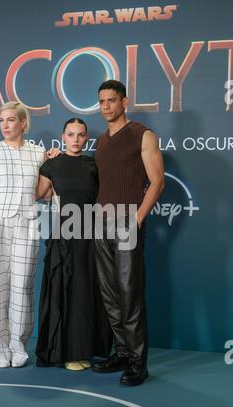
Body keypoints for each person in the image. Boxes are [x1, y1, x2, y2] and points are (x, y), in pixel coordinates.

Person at [92, 80, 165, 385]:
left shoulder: (142, 135)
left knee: (129, 292)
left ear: (125, 102)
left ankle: (137, 362)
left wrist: (137, 218)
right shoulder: (101, 141)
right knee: (109, 294)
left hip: (127, 222)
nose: (106, 106)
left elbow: (157, 181)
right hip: (98, 223)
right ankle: (121, 352)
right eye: (102, 101)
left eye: (112, 100)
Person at [0, 101, 50, 368]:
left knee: (22, 287)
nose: (5, 125)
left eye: (11, 120)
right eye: (2, 120)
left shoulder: (39, 154)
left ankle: (18, 345)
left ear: (23, 123)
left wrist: (55, 164)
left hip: (27, 224)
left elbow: (43, 194)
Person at [35, 118, 112, 371]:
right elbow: (38, 194)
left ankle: (87, 350)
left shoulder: (95, 165)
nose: (76, 139)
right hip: (64, 235)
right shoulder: (52, 165)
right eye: (71, 134)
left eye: (80, 135)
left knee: (86, 292)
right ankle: (67, 352)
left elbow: (105, 198)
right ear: (63, 136)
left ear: (87, 138)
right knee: (66, 290)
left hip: (91, 235)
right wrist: (41, 160)